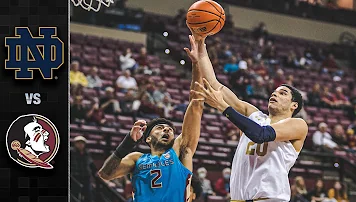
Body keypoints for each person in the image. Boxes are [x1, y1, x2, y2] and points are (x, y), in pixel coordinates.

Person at [185, 29, 308, 201]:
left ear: (294, 105)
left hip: (270, 199)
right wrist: (201, 49)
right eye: (274, 92)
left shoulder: (297, 125)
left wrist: (223, 107)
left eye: (282, 93)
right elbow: (215, 85)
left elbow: (261, 134)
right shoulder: (255, 115)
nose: (274, 94)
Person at [98, 40, 204, 202]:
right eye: (160, 128)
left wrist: (197, 64)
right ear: (147, 138)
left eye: (169, 129)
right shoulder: (136, 158)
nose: (167, 130)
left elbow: (196, 104)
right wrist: (127, 143)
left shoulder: (180, 150)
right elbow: (105, 174)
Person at [71, 136, 97, 202]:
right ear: (75, 144)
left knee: (88, 196)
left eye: (82, 143)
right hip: (74, 177)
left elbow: (91, 164)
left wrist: (95, 173)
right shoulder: (71, 152)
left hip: (86, 177)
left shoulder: (87, 153)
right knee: (75, 194)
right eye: (78, 143)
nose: (80, 144)